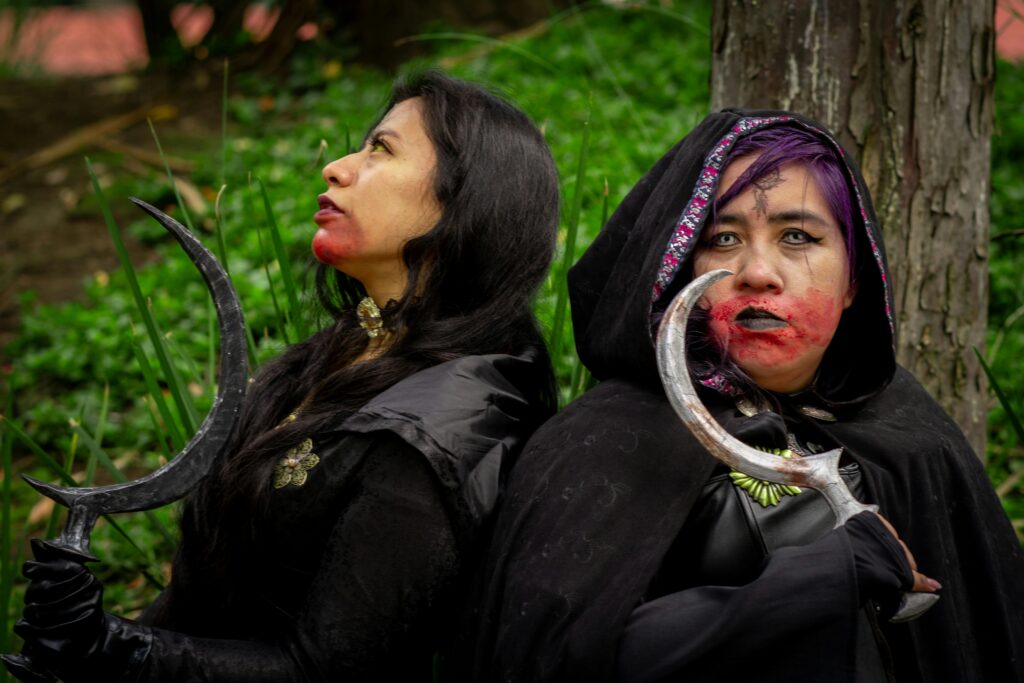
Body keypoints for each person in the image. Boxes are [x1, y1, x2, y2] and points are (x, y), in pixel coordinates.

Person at [9, 71, 559, 681]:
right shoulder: (356, 346)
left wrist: (115, 649)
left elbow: (322, 672)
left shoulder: (434, 436)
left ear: (465, 200)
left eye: (382, 149)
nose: (338, 168)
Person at [461, 110, 1024, 682]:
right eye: (723, 239)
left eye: (797, 237)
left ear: (855, 279)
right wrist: (822, 576)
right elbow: (554, 665)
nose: (757, 272)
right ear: (684, 265)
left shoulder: (909, 428)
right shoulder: (606, 442)